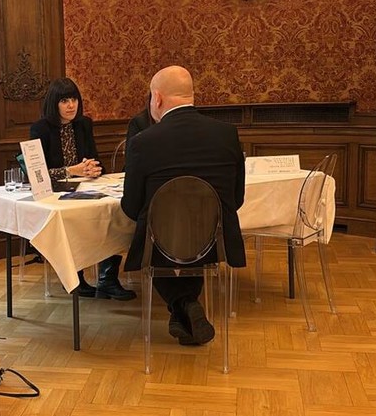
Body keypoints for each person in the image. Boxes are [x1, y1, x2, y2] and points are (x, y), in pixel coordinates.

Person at [121, 66, 246, 345]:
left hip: (162, 242)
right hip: (213, 240)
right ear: (191, 95)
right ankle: (187, 306)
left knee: (158, 238)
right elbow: (236, 199)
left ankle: (183, 305)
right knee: (190, 237)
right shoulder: (226, 134)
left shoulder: (144, 142)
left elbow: (131, 206)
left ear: (157, 98)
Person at [30, 78, 136, 301]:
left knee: (111, 215)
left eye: (74, 99)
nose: (71, 105)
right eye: (64, 101)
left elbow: (95, 160)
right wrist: (72, 170)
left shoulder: (83, 124)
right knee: (76, 221)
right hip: (55, 195)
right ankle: (74, 277)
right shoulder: (40, 129)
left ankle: (108, 278)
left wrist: (92, 168)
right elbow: (37, 175)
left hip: (87, 189)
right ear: (54, 104)